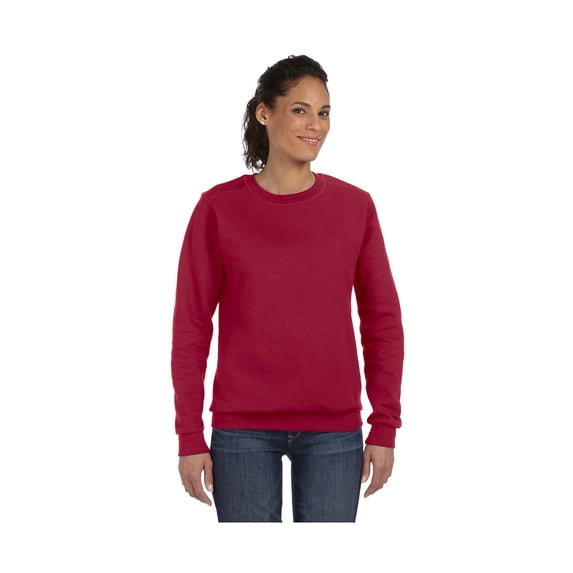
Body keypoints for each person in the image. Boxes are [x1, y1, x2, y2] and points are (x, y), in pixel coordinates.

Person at [171, 55, 404, 522]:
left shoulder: (355, 207)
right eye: (300, 110)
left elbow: (382, 322)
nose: (316, 124)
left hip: (333, 430)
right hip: (242, 430)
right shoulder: (218, 209)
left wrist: (384, 425)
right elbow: (191, 327)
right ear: (264, 112)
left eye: (324, 112)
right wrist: (189, 435)